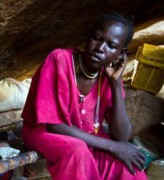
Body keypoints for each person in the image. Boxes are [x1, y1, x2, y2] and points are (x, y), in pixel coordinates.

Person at [21, 12, 147, 180]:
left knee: (129, 166)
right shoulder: (59, 60)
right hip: (43, 132)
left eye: (111, 46)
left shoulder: (108, 77)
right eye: (97, 38)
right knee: (77, 151)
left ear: (120, 54)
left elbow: (122, 136)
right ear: (89, 37)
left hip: (90, 137)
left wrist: (115, 84)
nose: (100, 48)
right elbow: (53, 126)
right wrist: (112, 146)